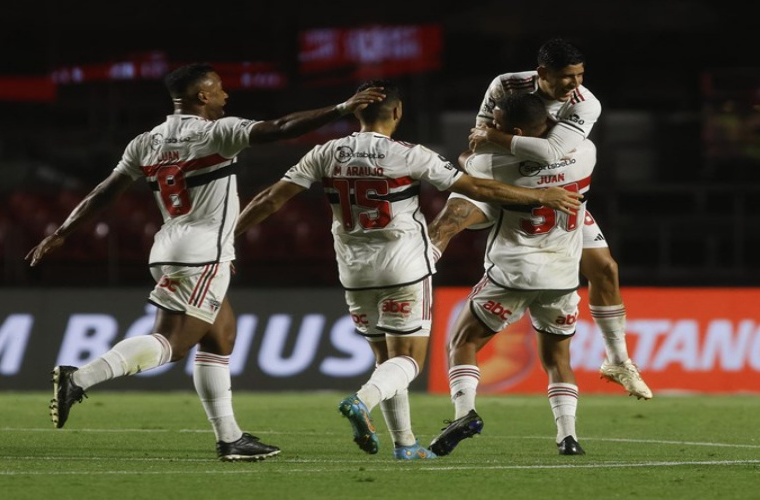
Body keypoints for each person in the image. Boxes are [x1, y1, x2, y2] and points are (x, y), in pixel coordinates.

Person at [26, 63, 385, 462]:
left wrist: (62, 232)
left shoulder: (145, 141)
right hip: (201, 253)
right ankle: (80, 378)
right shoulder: (218, 132)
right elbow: (281, 128)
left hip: (167, 247)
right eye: (219, 90)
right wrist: (342, 107)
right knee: (173, 344)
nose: (225, 96)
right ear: (202, 97)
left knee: (221, 336)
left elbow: (104, 193)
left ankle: (230, 438)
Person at [233, 79, 580, 460]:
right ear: (397, 113)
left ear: (357, 111)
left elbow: (270, 198)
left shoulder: (326, 152)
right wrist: (540, 195)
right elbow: (482, 189)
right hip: (404, 267)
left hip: (353, 270)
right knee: (409, 360)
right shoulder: (411, 154)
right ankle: (362, 401)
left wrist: (228, 238)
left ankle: (405, 444)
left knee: (387, 361)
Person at [468, 38, 652, 400]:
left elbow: (549, 151)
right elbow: (477, 144)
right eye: (567, 76)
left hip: (558, 193)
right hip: (503, 176)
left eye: (580, 75)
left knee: (605, 269)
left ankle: (618, 361)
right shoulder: (505, 85)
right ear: (542, 74)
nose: (575, 84)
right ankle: (431, 255)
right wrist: (491, 142)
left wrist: (494, 134)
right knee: (457, 210)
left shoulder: (586, 103)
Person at [427, 93, 595, 456]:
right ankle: (568, 437)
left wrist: (482, 140)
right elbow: (546, 152)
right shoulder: (586, 153)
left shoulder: (493, 165)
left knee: (462, 342)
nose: (492, 126)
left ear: (515, 131)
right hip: (563, 278)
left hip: (512, 274)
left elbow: (466, 169)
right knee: (557, 360)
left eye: (498, 123)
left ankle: (465, 413)